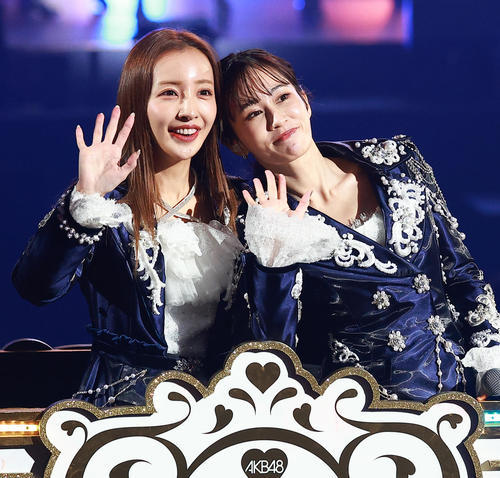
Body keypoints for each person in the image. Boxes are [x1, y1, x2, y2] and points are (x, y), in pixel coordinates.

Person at [220, 49, 500, 401]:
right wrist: (274, 256)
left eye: (283, 97)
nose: (276, 118)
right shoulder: (254, 219)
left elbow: (460, 271)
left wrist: (492, 364)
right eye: (253, 113)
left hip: (460, 396)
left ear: (305, 100)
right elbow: (273, 353)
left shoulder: (396, 161)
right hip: (359, 415)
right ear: (235, 140)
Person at [12, 29, 243, 407]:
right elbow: (36, 287)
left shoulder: (240, 205)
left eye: (204, 92)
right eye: (169, 93)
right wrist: (86, 201)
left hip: (228, 413)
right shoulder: (105, 207)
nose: (189, 110)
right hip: (127, 417)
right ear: (137, 101)